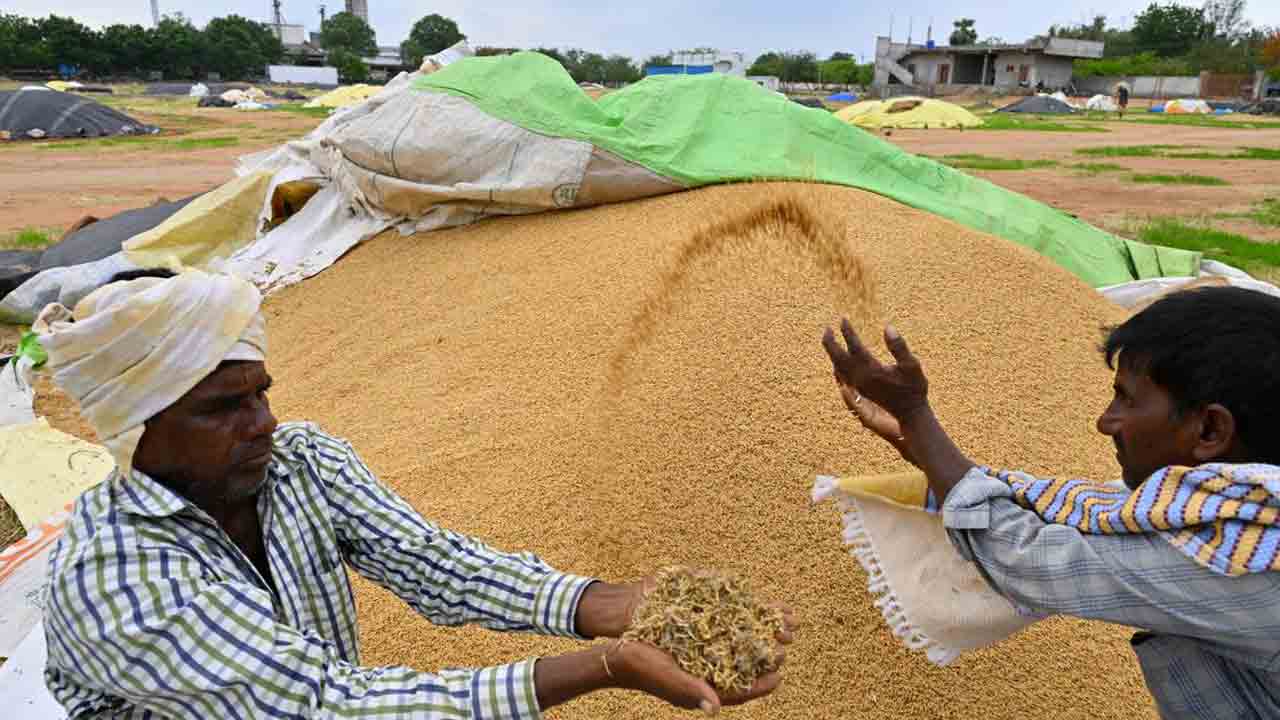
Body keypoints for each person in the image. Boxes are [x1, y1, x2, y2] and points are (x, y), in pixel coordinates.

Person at [38, 269, 792, 718]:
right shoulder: (113, 578)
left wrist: (600, 602)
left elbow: (435, 563)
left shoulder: (300, 463)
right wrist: (605, 665)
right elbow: (323, 706)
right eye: (222, 408)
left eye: (261, 393)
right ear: (136, 429)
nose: (262, 422)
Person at [821, 285, 1280, 719]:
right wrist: (924, 448)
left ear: (1210, 430)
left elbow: (1025, 558)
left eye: (1125, 399)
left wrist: (916, 415)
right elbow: (1091, 509)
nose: (1105, 421)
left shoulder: (1242, 562)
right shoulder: (1243, 501)